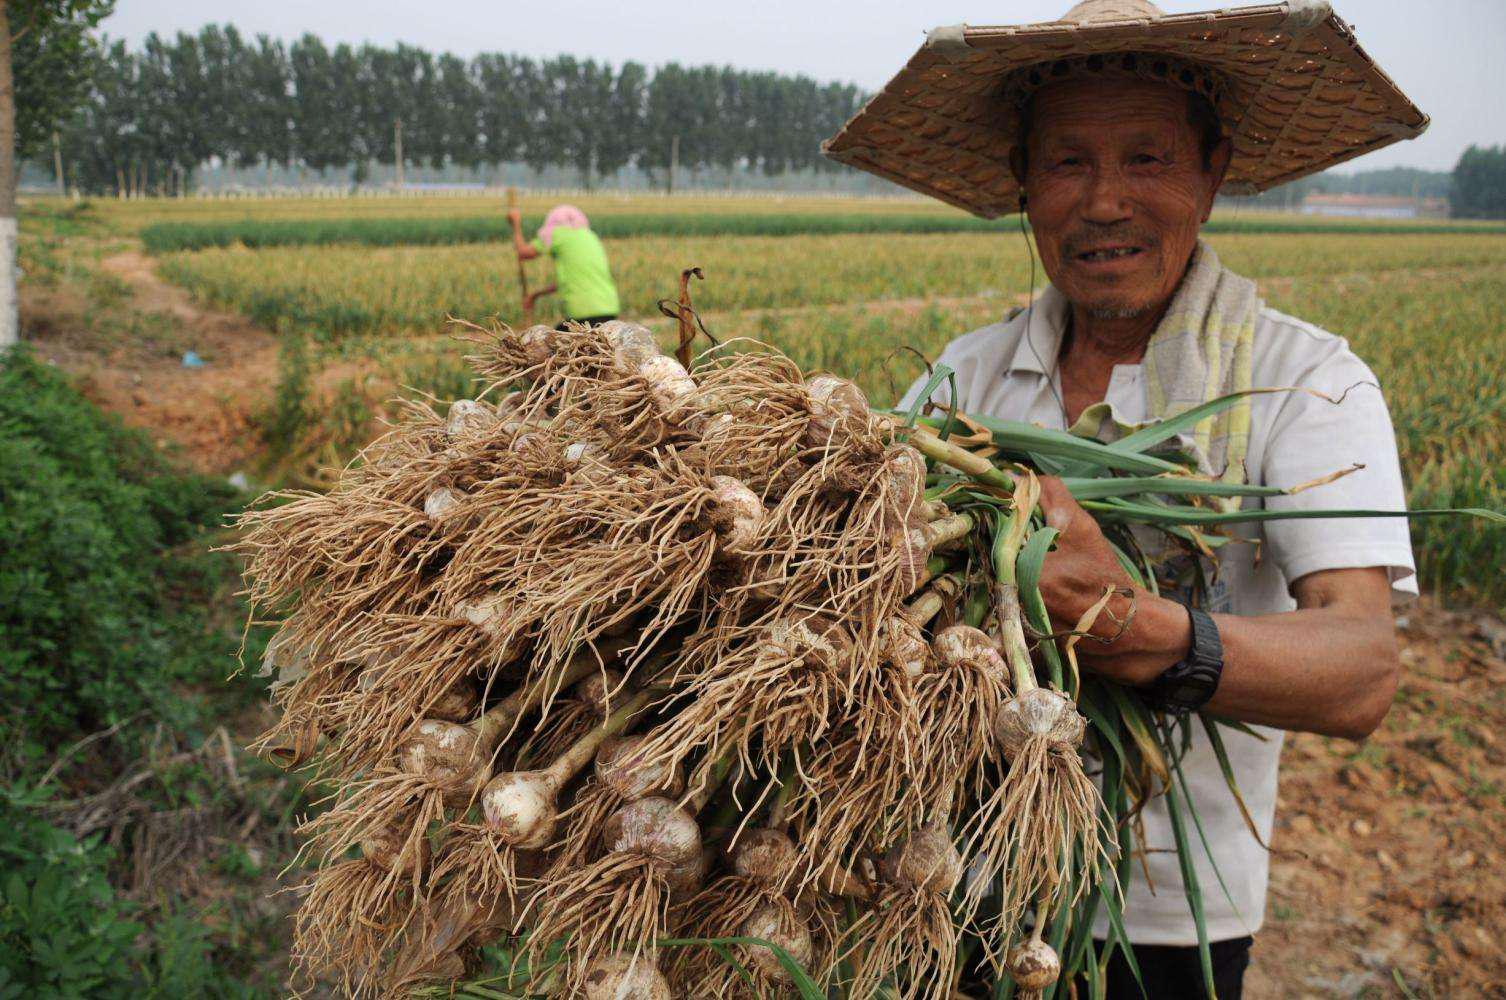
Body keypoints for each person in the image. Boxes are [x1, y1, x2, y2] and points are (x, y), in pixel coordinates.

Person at [826, 1, 1430, 996]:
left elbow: (1361, 669)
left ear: (1214, 169)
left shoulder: (1304, 379)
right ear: (1024, 183)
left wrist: (1135, 628)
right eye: (1067, 163)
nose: (1106, 201)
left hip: (1163, 919)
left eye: (1147, 158)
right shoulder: (956, 385)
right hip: (948, 882)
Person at [507, 204, 621, 329]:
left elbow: (523, 253)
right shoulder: (590, 236)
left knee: (555, 343)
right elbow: (568, 280)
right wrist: (535, 295)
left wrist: (515, 224)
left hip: (582, 312)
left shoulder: (558, 234)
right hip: (610, 309)